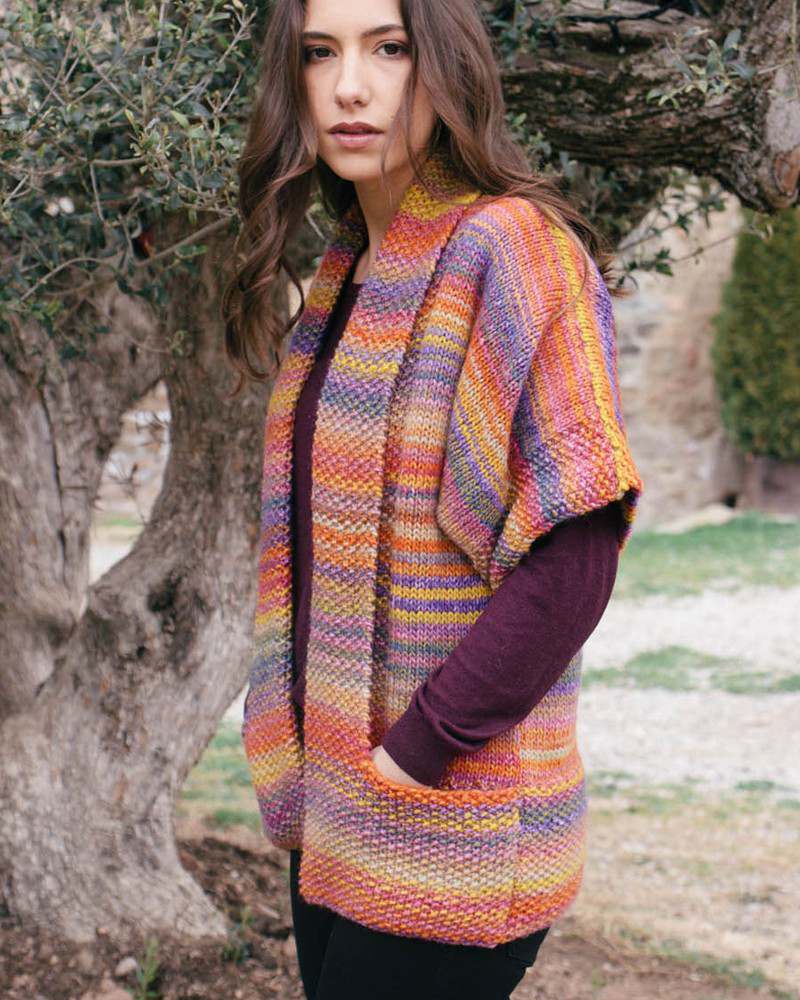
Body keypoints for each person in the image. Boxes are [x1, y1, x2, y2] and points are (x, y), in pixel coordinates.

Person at [225, 1, 644, 998]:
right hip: (338, 813)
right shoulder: (346, 275)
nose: (350, 86)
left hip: (450, 817)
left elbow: (576, 550)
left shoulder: (515, 250)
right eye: (319, 54)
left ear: (444, 63)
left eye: (389, 49)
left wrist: (417, 754)